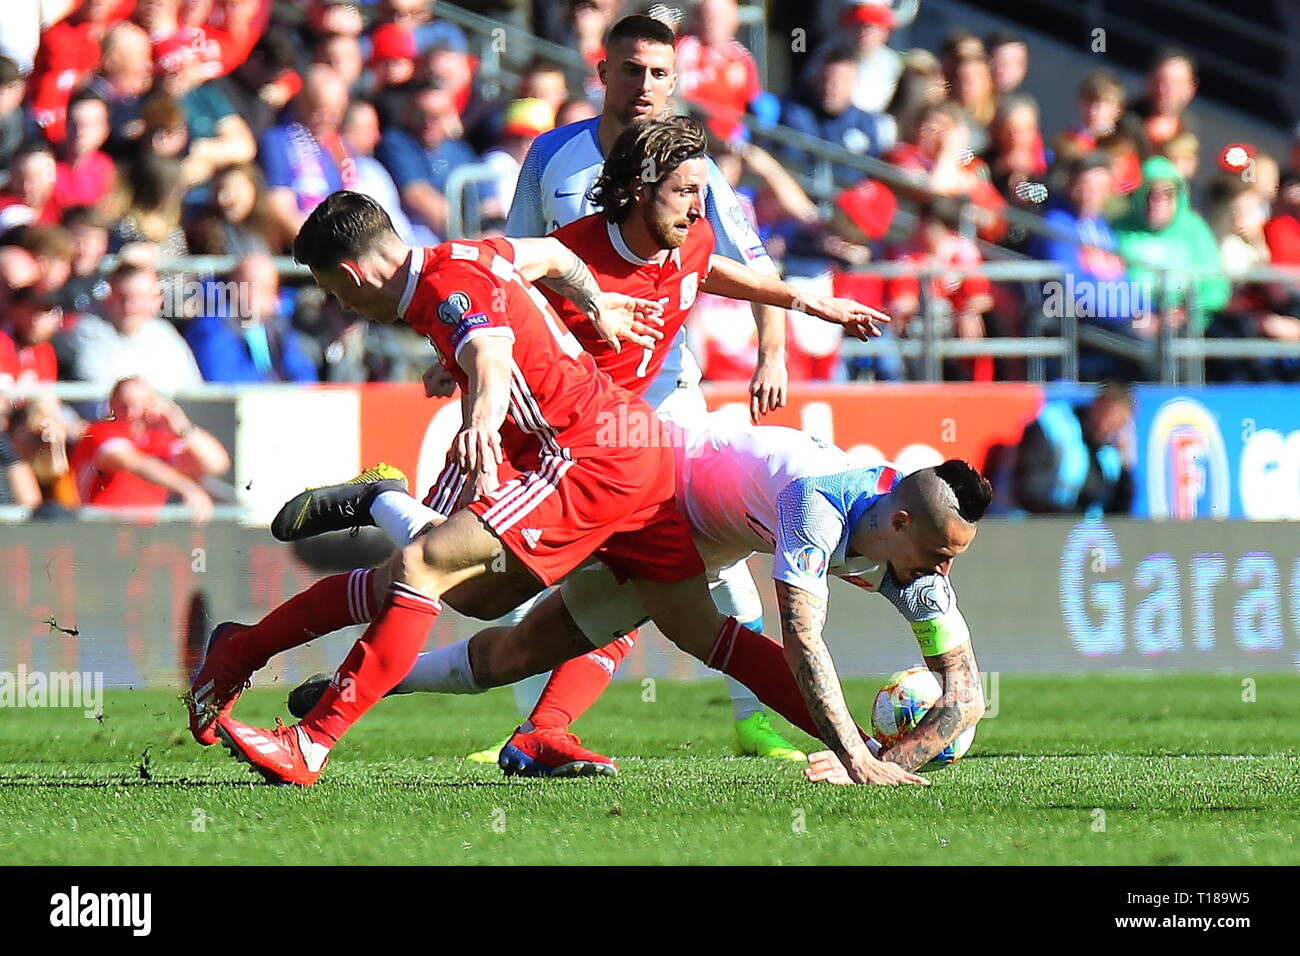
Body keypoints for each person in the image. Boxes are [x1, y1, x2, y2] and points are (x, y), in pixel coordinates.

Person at [192, 191, 928, 788]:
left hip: (585, 463)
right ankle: (860, 748)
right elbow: (548, 255)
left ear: (350, 277)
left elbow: (487, 348)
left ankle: (310, 742)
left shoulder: (447, 287)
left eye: (333, 293)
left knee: (419, 570)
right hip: (639, 464)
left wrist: (480, 423)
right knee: (688, 631)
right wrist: (597, 306)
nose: (343, 308)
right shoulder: (467, 253)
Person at [291, 429, 990, 780]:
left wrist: (886, 758)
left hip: (699, 541)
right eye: (942, 551)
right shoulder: (818, 502)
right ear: (898, 524)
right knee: (477, 591)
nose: (945, 569)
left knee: (517, 653)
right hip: (645, 490)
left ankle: (378, 684)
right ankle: (382, 495)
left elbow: (964, 698)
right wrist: (854, 754)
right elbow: (804, 639)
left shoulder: (918, 559)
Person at [489, 12, 799, 760]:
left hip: (664, 395)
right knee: (561, 558)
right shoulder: (551, 157)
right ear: (602, 74)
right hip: (568, 400)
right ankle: (536, 728)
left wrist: (773, 353)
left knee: (709, 551)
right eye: (632, 70)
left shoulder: (696, 167)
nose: (647, 86)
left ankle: (753, 719)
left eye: (661, 73)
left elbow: (749, 263)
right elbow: (514, 264)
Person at [69, 375, 229, 519]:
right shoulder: (99, 432)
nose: (133, 413)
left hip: (144, 537)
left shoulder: (159, 440)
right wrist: (186, 487)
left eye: (143, 405)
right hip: (100, 530)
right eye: (125, 406)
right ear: (111, 405)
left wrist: (183, 427)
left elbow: (216, 464)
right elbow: (132, 462)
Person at [68, 262, 203, 394]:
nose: (130, 307)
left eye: (140, 298)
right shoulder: (87, 332)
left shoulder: (166, 336)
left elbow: (193, 393)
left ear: (157, 300)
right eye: (122, 298)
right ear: (108, 298)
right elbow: (103, 394)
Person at [184, 253, 319, 383]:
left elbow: (304, 378)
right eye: (245, 286)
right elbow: (225, 382)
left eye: (261, 288)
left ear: (276, 297)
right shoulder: (210, 330)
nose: (250, 295)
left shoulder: (280, 330)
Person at [1012, 382, 1134, 516]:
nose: (1111, 430)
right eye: (1110, 422)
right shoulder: (1051, 428)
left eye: (1119, 426)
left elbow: (1119, 512)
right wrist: (1072, 519)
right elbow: (1029, 492)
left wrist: (1125, 466)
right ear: (1098, 406)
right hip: (1039, 525)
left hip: (1085, 531)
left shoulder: (1110, 452)